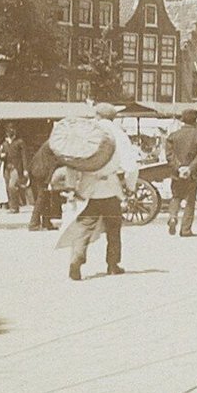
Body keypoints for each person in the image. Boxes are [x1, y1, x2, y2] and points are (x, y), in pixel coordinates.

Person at [59, 103, 138, 280]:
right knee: (113, 228)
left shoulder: (85, 132)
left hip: (87, 189)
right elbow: (131, 167)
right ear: (113, 117)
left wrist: (71, 186)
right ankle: (112, 264)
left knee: (84, 226)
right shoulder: (119, 135)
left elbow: (71, 161)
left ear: (97, 116)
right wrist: (130, 188)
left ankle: (77, 259)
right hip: (110, 189)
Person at [165, 109, 197, 237]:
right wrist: (190, 168)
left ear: (182, 120)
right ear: (195, 121)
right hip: (192, 174)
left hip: (176, 173)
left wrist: (179, 168)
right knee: (190, 201)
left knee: (176, 196)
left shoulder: (173, 136)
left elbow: (169, 155)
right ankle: (185, 230)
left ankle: (172, 216)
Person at [28, 139, 60, 230]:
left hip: (36, 169)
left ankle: (46, 223)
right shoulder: (56, 144)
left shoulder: (51, 142)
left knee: (44, 196)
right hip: (42, 171)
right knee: (42, 197)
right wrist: (49, 181)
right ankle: (33, 223)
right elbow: (53, 163)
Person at [0, 127, 30, 213]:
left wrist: (25, 169)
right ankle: (12, 206)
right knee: (8, 187)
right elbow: (1, 156)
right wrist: (1, 156)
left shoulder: (19, 143)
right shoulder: (5, 144)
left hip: (16, 167)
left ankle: (15, 207)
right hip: (7, 167)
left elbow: (24, 156)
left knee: (12, 186)